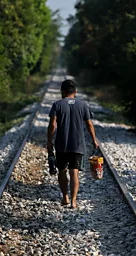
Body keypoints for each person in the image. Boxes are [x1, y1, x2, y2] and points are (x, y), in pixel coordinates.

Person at [47, 79, 98, 209]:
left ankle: (65, 197)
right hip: (78, 144)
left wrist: (49, 141)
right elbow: (89, 124)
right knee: (74, 172)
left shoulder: (57, 105)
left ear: (62, 92)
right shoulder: (83, 105)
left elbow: (53, 125)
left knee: (62, 171)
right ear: (75, 92)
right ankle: (73, 201)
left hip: (61, 144)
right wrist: (94, 140)